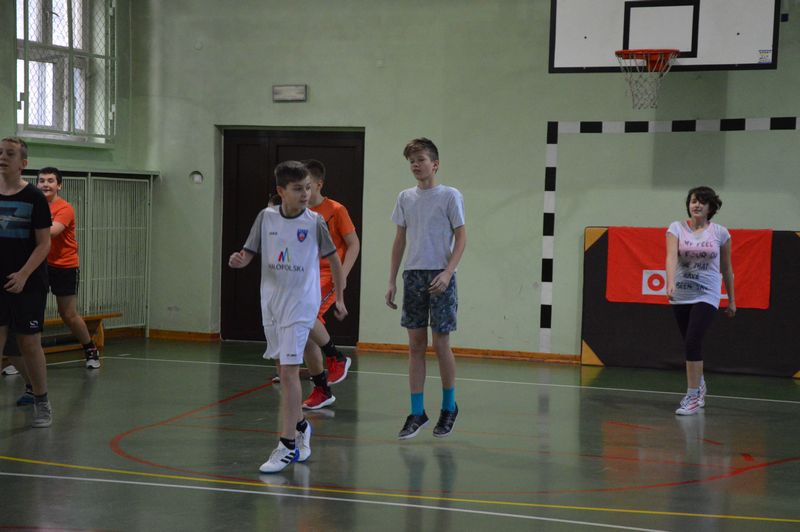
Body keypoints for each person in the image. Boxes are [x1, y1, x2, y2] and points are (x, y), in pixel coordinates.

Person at [229, 160, 347, 473]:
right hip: (272, 303)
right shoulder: (265, 218)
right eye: (298, 189)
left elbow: (335, 261)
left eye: (307, 187)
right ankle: (302, 426)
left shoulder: (315, 222)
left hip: (302, 304)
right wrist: (240, 260)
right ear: (281, 191)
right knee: (283, 370)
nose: (305, 194)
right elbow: (249, 252)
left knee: (290, 371)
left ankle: (286, 446)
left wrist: (340, 297)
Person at [386, 138, 466, 439]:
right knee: (415, 346)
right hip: (413, 275)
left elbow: (462, 237)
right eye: (412, 161)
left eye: (421, 159)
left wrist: (448, 272)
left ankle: (449, 407)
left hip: (440, 276)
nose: (416, 165)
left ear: (435, 164)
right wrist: (392, 280)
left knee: (441, 344)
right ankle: (417, 412)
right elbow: (399, 241)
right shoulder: (405, 198)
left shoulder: (450, 195)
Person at [666, 186, 735, 416]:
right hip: (682, 293)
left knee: (693, 340)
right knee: (688, 342)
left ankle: (693, 396)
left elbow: (727, 268)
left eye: (702, 202)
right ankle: (700, 382)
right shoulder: (676, 228)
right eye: (693, 201)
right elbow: (670, 256)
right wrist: (670, 282)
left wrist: (731, 299)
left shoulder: (720, 233)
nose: (696, 205)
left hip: (707, 293)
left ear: (710, 208)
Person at [0, 137, 53, 427]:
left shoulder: (34, 198)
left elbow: (44, 244)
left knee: (29, 343)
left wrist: (22, 275)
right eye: (0, 152)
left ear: (23, 163)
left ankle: (41, 400)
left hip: (28, 281)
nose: (2, 157)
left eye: (9, 154)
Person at [299, 159, 360, 408]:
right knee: (305, 334)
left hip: (328, 274)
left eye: (307, 185)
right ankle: (322, 390)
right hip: (304, 275)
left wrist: (342, 275)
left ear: (319, 184)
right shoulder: (298, 211)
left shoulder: (335, 209)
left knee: (304, 316)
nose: (303, 190)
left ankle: (337, 357)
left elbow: (354, 244)